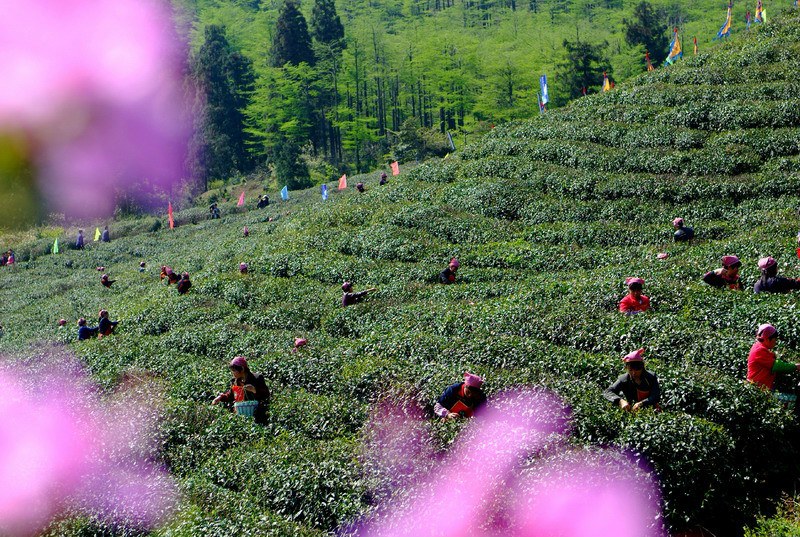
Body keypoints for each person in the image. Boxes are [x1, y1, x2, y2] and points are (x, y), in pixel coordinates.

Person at [212, 357, 270, 425]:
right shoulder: (235, 381)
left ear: (242, 369)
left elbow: (266, 395)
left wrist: (254, 390)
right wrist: (220, 397)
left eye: (234, 371)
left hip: (256, 415)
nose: (233, 373)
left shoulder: (257, 378)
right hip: (240, 415)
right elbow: (231, 395)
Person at [747, 324, 800, 391]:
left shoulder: (758, 347)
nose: (775, 342)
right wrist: (795, 367)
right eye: (774, 339)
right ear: (768, 339)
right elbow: (777, 365)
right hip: (757, 388)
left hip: (760, 387)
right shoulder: (759, 351)